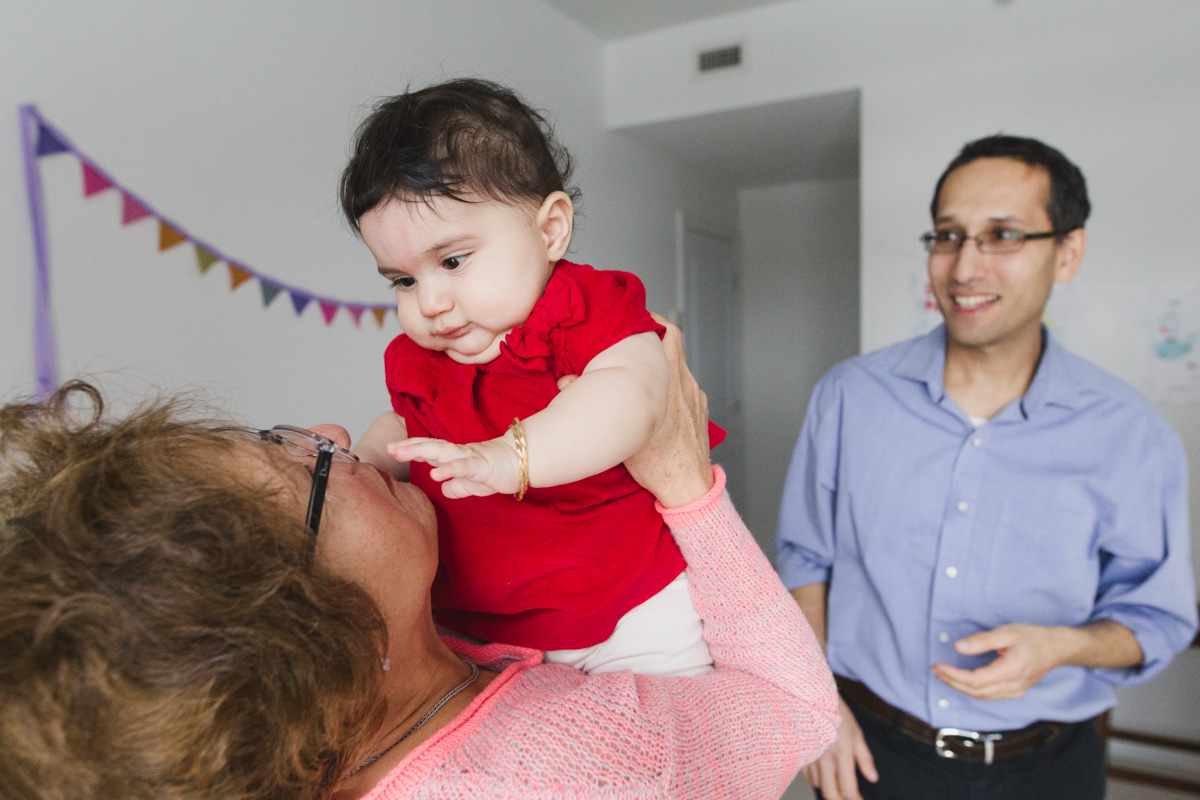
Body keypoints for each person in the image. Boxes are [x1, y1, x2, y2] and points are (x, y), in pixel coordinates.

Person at [0, 321, 839, 800]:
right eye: (306, 471)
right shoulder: (576, 768)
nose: (326, 434)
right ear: (319, 644)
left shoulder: (323, 733)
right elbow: (798, 711)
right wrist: (687, 484)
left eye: (275, 436)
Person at [776, 134, 1197, 800]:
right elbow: (805, 562)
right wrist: (816, 708)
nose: (965, 267)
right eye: (948, 236)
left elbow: (1157, 617)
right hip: (872, 752)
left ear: (1068, 252)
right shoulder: (850, 397)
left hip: (1049, 765)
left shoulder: (1130, 435)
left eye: (1002, 235)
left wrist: (1065, 646)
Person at [340, 78, 721, 676]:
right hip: (477, 627)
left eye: (452, 261)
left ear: (550, 231)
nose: (430, 301)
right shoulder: (419, 358)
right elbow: (408, 424)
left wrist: (506, 458)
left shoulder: (582, 308)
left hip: (626, 612)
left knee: (673, 741)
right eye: (403, 280)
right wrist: (368, 461)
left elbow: (632, 395)